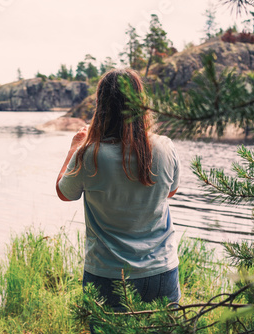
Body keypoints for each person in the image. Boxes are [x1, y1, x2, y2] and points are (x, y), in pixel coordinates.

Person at [56, 69, 181, 329]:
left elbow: (63, 192)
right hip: (161, 271)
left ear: (101, 107)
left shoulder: (89, 154)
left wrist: (74, 147)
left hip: (107, 274)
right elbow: (170, 191)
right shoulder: (164, 147)